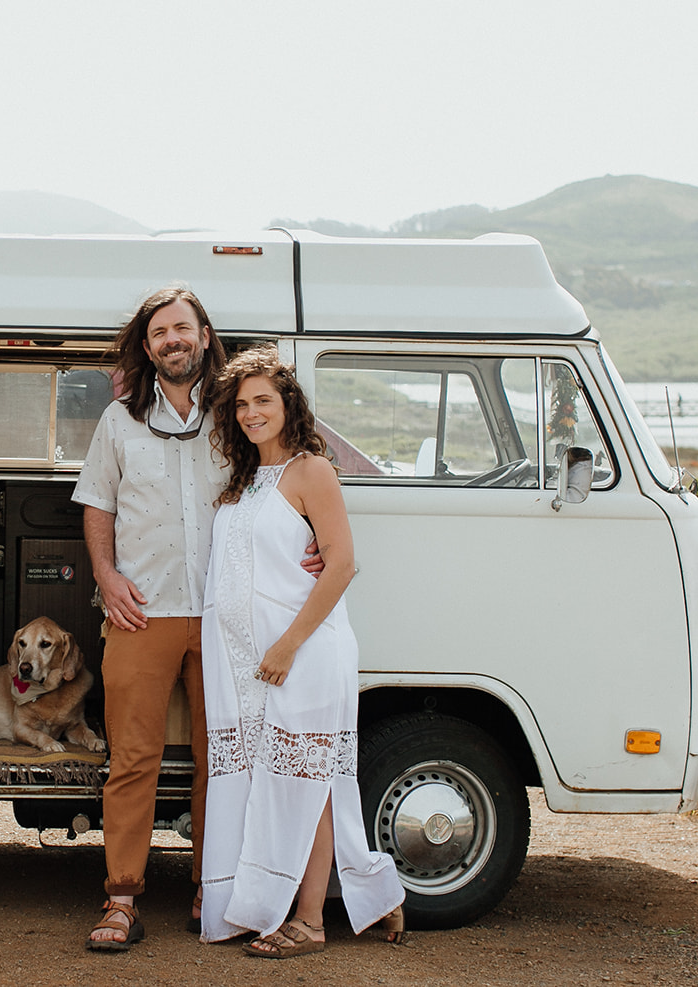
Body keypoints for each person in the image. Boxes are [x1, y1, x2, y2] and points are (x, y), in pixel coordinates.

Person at [198, 346, 405, 957]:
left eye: (263, 400)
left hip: (303, 656)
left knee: (305, 785)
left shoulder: (312, 469)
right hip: (247, 666)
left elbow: (340, 565)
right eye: (241, 405)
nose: (251, 413)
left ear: (289, 403)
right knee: (282, 784)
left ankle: (310, 921)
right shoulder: (245, 479)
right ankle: (372, 898)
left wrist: (288, 645)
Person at [71, 286, 227, 951]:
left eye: (182, 328)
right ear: (147, 346)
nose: (172, 339)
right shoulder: (120, 421)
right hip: (143, 615)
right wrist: (106, 577)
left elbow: (289, 479)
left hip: (226, 616)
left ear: (204, 335)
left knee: (222, 761)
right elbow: (97, 503)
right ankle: (121, 898)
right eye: (159, 332)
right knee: (133, 758)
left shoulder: (237, 412)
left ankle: (212, 888)